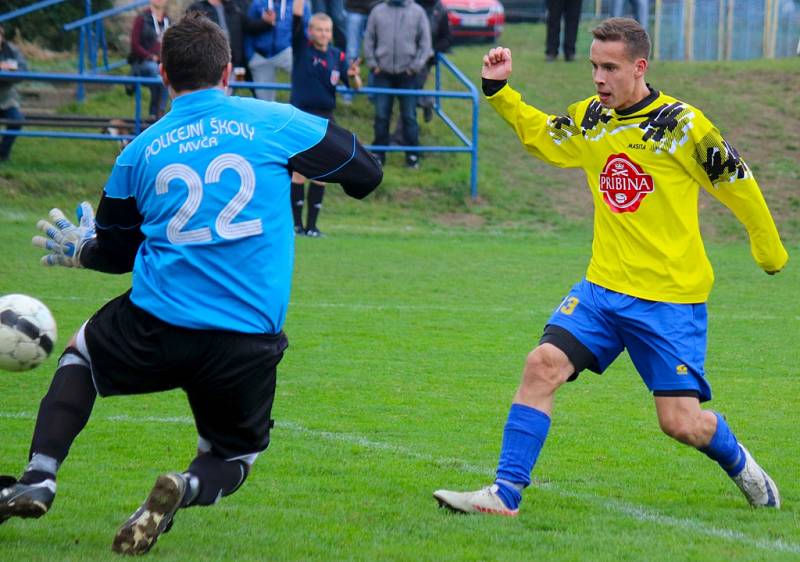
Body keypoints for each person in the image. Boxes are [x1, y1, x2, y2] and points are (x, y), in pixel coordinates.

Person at [0, 13, 381, 554]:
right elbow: (366, 172)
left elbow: (115, 253)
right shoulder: (275, 122)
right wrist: (296, 163)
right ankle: (188, 485)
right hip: (247, 337)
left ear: (161, 72)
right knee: (235, 457)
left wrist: (83, 249)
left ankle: (40, 475)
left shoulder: (138, 152)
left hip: (158, 321)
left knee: (82, 357)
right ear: (229, 70)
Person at [433, 18, 788, 516]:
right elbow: (543, 136)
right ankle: (504, 494)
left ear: (639, 67)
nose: (599, 78)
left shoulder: (682, 125)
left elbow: (738, 183)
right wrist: (499, 92)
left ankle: (742, 465)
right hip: (601, 289)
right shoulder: (591, 118)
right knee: (541, 365)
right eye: (594, 66)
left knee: (681, 423)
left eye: (610, 67)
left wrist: (768, 249)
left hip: (669, 298)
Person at [289, 0, 362, 237]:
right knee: (299, 171)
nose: (323, 34)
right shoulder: (302, 47)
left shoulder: (337, 56)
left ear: (331, 33)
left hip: (325, 119)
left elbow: (353, 85)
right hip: (301, 116)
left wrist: (355, 77)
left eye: (327, 30)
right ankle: (296, 225)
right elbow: (297, 17)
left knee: (322, 173)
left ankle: (313, 226)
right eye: (319, 29)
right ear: (311, 32)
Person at [364, 0, 432, 168]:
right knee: (381, 116)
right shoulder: (377, 11)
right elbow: (368, 39)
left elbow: (425, 44)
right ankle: (378, 155)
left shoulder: (418, 12)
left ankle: (412, 156)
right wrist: (373, 64)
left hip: (408, 75)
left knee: (409, 116)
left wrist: (414, 68)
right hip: (382, 74)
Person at [187, 0, 274, 76]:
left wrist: (266, 22)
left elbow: (250, 26)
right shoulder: (197, 8)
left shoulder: (233, 8)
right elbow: (188, 33)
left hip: (234, 62)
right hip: (209, 63)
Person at [245, 0, 311, 102]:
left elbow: (308, 31)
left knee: (307, 76)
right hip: (261, 55)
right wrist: (251, 56)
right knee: (265, 103)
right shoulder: (258, 3)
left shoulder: (298, 3)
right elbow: (247, 29)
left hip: (286, 51)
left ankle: (301, 110)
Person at [129, 0, 170, 119]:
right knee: (155, 71)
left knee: (167, 73)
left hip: (161, 63)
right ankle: (156, 112)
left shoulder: (168, 20)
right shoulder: (141, 18)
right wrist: (151, 56)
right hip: (143, 62)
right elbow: (135, 45)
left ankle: (159, 111)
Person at [0, 25, 27, 163]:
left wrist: (8, 72)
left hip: (7, 100)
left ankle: (3, 153)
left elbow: (22, 72)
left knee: (17, 120)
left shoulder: (12, 51)